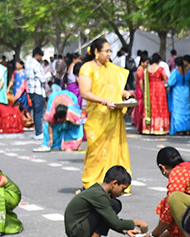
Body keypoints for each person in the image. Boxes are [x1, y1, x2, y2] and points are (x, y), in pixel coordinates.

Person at [79, 38, 133, 189]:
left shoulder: (112, 69)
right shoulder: (87, 68)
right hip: (98, 117)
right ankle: (91, 184)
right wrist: (104, 101)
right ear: (96, 52)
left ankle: (115, 184)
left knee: (114, 149)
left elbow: (113, 89)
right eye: (106, 51)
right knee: (96, 151)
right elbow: (85, 92)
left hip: (114, 115)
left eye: (110, 51)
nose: (109, 54)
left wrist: (124, 94)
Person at [64, 165, 147, 237]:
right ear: (114, 183)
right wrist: (137, 223)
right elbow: (115, 223)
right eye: (123, 189)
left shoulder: (99, 191)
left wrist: (126, 230)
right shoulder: (99, 196)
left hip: (79, 228)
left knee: (113, 204)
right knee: (113, 205)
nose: (122, 193)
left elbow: (111, 220)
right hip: (77, 232)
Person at [40, 84, 84, 151]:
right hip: (54, 99)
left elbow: (79, 123)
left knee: (75, 126)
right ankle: (52, 144)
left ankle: (72, 144)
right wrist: (51, 139)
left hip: (69, 98)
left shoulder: (71, 112)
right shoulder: (52, 112)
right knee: (48, 123)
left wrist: (71, 121)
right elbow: (50, 126)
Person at [141, 53, 170, 135]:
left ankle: (150, 127)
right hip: (159, 89)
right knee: (160, 107)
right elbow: (165, 79)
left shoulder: (147, 69)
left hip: (150, 89)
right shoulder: (160, 69)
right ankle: (159, 127)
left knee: (152, 106)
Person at [25, 47, 49, 138]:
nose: (41, 58)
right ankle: (39, 132)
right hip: (38, 91)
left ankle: (38, 131)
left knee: (36, 112)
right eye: (41, 56)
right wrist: (49, 74)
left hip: (31, 90)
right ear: (37, 55)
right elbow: (42, 79)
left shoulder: (28, 64)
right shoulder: (36, 65)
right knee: (39, 112)